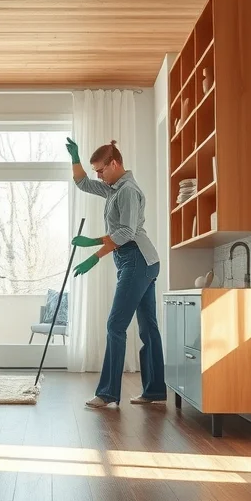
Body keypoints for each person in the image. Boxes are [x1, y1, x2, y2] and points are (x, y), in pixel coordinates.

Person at [66, 137, 166, 409]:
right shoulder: (112, 189)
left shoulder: (127, 191)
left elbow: (127, 232)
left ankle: (108, 393)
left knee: (115, 325)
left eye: (101, 169)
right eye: (96, 170)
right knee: (148, 328)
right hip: (136, 260)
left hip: (137, 259)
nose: (98, 175)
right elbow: (83, 183)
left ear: (115, 163)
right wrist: (75, 159)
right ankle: (155, 391)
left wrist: (94, 251)